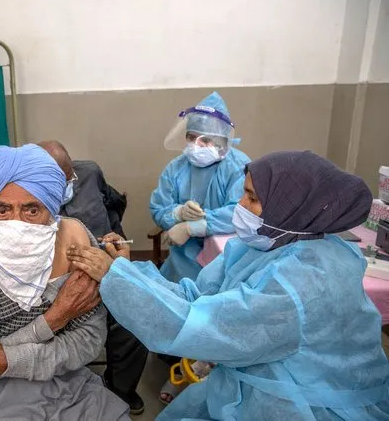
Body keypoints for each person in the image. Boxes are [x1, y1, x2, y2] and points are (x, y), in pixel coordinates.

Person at [68, 151, 389, 420]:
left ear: (292, 207)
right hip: (255, 381)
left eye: (252, 198)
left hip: (306, 401)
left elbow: (200, 327)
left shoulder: (304, 281)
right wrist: (128, 271)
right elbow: (195, 296)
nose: (240, 206)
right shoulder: (259, 246)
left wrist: (116, 277)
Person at [0, 144, 130, 420]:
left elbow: (89, 340)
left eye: (32, 211)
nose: (17, 223)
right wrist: (56, 318)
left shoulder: (75, 242)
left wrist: (6, 358)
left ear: (53, 211)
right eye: (2, 210)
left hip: (67, 381)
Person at [38, 140, 148, 415]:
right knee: (62, 338)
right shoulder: (29, 198)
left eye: (69, 177)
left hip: (106, 270)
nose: (67, 185)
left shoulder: (88, 173)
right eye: (56, 181)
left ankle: (120, 389)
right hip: (57, 287)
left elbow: (113, 202)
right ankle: (73, 395)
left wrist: (117, 240)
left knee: (134, 324)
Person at [150, 91, 250, 282]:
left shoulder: (238, 167)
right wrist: (178, 213)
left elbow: (241, 211)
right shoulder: (175, 169)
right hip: (183, 258)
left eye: (205, 139)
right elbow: (158, 208)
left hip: (227, 256)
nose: (196, 145)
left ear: (221, 140)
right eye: (191, 137)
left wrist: (194, 227)